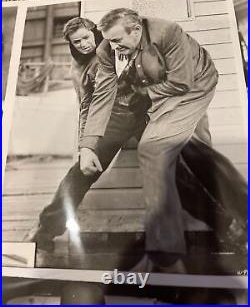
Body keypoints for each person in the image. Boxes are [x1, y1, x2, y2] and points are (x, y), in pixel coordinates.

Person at [26, 16, 247, 264]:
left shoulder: (123, 45)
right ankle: (44, 232)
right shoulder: (78, 68)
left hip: (148, 114)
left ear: (96, 33)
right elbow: (87, 106)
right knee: (80, 173)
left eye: (86, 38)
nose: (83, 45)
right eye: (76, 42)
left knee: (174, 176)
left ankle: (229, 228)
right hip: (113, 118)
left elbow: (169, 78)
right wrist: (85, 146)